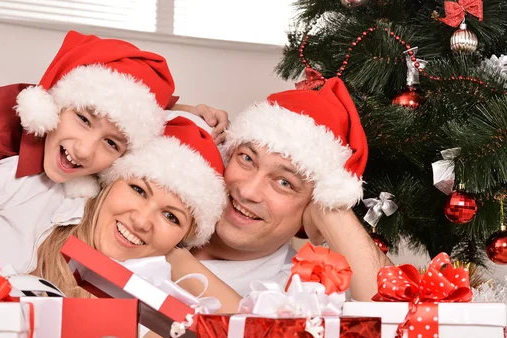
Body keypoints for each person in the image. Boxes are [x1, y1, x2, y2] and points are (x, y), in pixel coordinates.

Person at [0, 116, 241, 314]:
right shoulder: (32, 186)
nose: (141, 220)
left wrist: (175, 255)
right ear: (109, 181)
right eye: (138, 190)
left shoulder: (137, 289)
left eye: (172, 217)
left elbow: (250, 331)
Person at [166, 78, 392, 303]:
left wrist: (332, 211)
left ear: (312, 205)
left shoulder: (299, 292)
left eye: (284, 183)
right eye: (247, 158)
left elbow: (403, 325)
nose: (248, 191)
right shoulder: (162, 191)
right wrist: (178, 114)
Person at [0, 30, 177, 203]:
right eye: (83, 120)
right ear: (51, 106)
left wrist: (189, 110)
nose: (84, 150)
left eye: (111, 143)